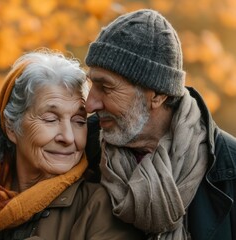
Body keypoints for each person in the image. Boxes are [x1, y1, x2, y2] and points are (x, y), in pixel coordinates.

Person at [0, 50, 142, 239]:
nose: (69, 137)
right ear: (12, 128)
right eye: (50, 119)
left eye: (79, 121)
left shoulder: (99, 207)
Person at [84, 9, 236, 239]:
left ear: (158, 94)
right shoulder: (80, 149)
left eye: (105, 87)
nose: (89, 104)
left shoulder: (230, 169)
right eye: (91, 85)